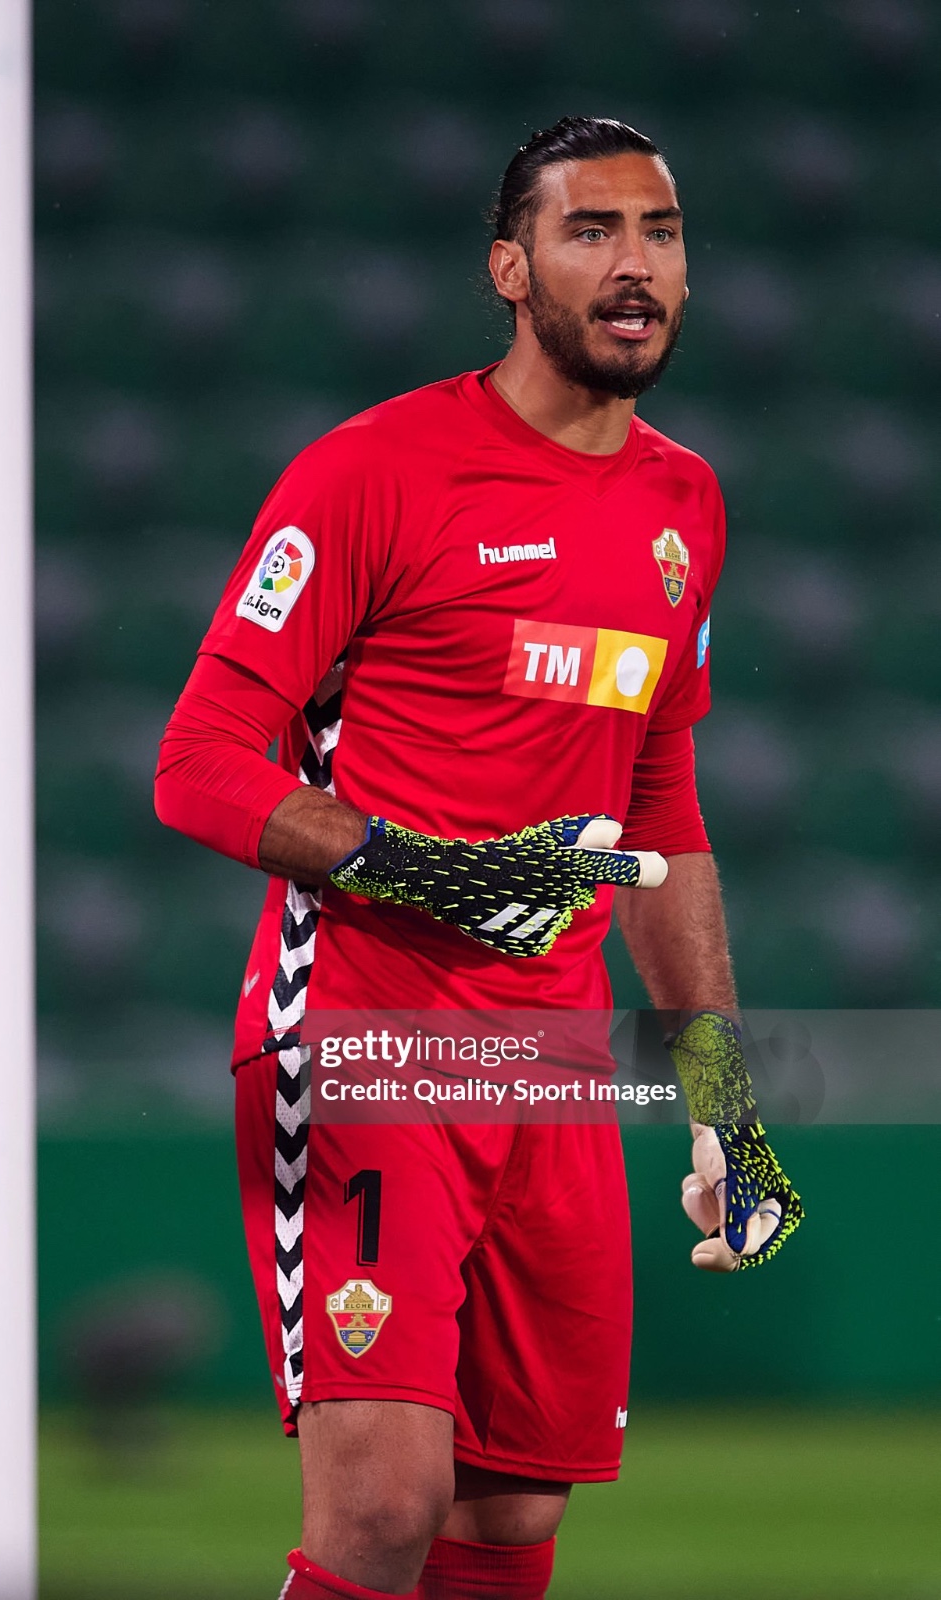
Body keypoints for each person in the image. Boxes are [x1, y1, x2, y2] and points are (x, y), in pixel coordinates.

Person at [155, 116, 803, 1600]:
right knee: (384, 1510)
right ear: (510, 268)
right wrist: (432, 874)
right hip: (373, 1030)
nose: (635, 267)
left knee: (509, 1519)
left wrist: (723, 1100)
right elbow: (194, 766)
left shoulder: (683, 504)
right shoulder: (372, 473)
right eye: (593, 233)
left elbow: (660, 809)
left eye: (663, 233)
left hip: (554, 1062)